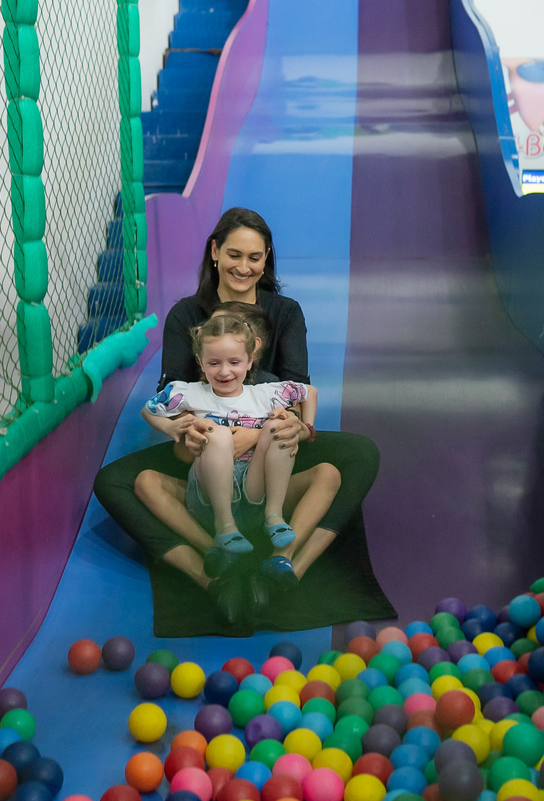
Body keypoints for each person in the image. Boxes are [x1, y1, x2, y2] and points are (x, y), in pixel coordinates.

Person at [92, 206, 380, 621]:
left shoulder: (284, 312)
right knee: (114, 482)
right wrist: (185, 432)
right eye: (234, 255)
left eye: (254, 257)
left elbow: (297, 392)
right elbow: (167, 399)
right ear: (214, 252)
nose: (243, 267)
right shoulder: (186, 315)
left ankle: (286, 567)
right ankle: (215, 566)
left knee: (360, 454)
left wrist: (276, 430)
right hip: (207, 451)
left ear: (266, 260)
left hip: (270, 452)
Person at [143, 314, 316, 584]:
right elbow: (149, 409)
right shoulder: (190, 392)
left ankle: (274, 515)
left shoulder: (265, 393)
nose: (224, 372)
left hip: (253, 490)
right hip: (207, 495)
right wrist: (170, 428)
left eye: (234, 362)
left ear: (250, 361)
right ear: (200, 362)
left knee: (278, 427)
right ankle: (224, 525)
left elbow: (309, 392)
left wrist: (304, 426)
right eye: (214, 363)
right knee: (218, 434)